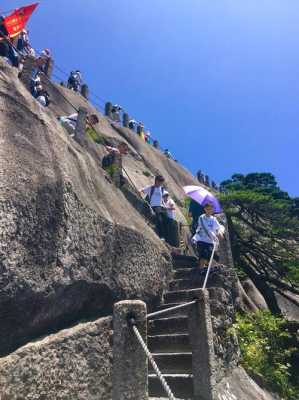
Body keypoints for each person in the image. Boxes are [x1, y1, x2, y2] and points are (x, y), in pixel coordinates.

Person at [192, 203, 225, 270]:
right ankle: (201, 270)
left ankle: (206, 269)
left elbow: (219, 227)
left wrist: (220, 232)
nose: (209, 211)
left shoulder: (213, 219)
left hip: (210, 242)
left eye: (211, 209)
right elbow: (207, 229)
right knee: (203, 255)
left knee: (209, 256)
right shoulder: (201, 217)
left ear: (212, 210)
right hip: (201, 239)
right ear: (205, 209)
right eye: (208, 209)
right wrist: (215, 237)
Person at [140, 175, 168, 241]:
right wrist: (139, 191)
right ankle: (161, 236)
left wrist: (165, 205)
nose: (161, 183)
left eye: (162, 182)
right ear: (156, 181)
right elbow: (142, 190)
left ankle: (164, 236)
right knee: (159, 219)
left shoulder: (162, 189)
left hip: (160, 207)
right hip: (153, 206)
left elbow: (163, 199)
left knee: (166, 220)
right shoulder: (151, 188)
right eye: (160, 182)